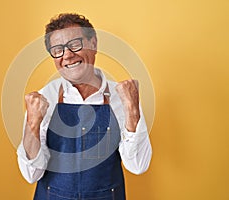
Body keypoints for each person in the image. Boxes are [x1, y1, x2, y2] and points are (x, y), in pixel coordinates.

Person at [17, 13, 152, 200]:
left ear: (94, 43)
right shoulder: (44, 98)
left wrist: (132, 109)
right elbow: (31, 174)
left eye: (74, 44)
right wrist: (32, 123)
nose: (68, 55)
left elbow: (137, 165)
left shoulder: (123, 97)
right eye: (58, 49)